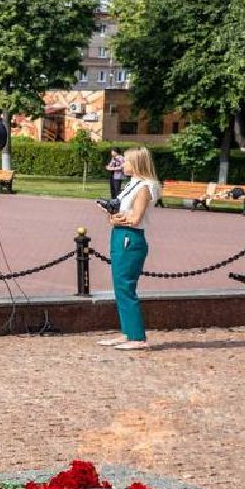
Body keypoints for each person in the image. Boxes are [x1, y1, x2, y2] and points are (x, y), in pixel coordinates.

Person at [101, 146, 160, 351]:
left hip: (130, 237)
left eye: (126, 161)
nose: (123, 164)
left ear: (136, 164)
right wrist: (112, 216)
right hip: (121, 235)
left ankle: (137, 337)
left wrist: (117, 219)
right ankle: (128, 332)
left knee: (126, 286)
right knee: (120, 286)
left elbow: (135, 218)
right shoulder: (132, 184)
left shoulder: (144, 187)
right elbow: (123, 213)